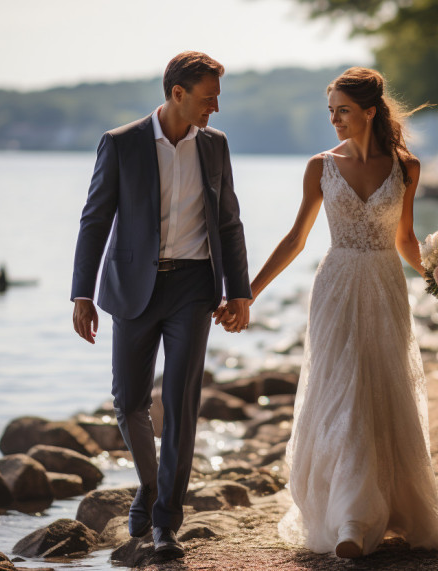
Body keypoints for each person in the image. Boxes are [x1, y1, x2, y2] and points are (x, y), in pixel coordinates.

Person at [221, 67, 438, 558]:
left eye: (342, 111)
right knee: (343, 396)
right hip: (337, 286)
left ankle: (389, 510)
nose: (334, 120)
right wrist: (248, 292)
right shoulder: (319, 166)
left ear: (369, 111)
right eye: (330, 111)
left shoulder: (406, 168)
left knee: (383, 393)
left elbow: (406, 240)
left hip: (387, 285)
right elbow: (295, 239)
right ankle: (350, 519)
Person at [70, 51, 252, 559]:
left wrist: (240, 291)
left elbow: (230, 222)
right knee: (128, 402)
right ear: (177, 94)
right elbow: (94, 220)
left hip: (194, 287)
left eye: (216, 98)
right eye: (207, 98)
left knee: (181, 402)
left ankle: (167, 522)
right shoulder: (121, 143)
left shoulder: (215, 146)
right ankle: (151, 487)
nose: (214, 108)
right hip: (131, 287)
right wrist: (82, 293)